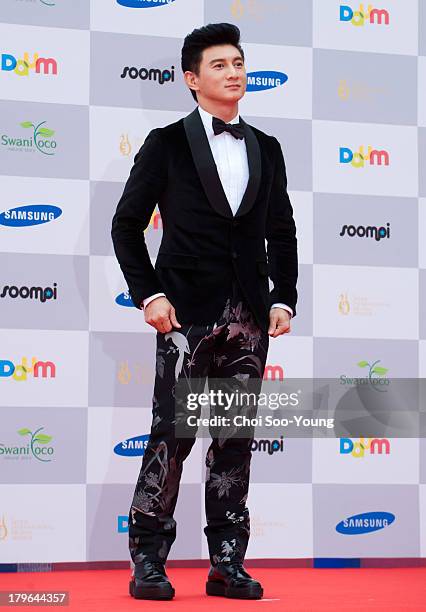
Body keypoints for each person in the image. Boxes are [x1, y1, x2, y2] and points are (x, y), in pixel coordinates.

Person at [111, 22, 298, 601]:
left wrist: (282, 295)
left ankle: (226, 563)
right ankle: (148, 559)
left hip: (248, 318)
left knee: (236, 440)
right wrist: (149, 294)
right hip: (185, 316)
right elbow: (125, 225)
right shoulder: (166, 143)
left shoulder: (266, 147)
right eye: (219, 65)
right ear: (192, 80)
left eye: (238, 62)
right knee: (173, 435)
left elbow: (282, 231)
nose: (234, 72)